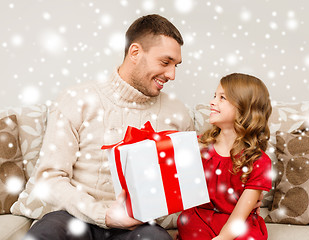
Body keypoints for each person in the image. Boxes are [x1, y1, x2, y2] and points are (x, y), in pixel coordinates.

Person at [24, 14, 194, 240]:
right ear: (135, 53)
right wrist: (103, 215)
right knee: (43, 235)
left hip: (140, 226)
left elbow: (185, 187)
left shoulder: (178, 114)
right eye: (165, 62)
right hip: (75, 217)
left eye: (176, 65)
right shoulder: (77, 100)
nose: (172, 75)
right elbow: (50, 178)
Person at [177, 73, 272, 240]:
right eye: (214, 96)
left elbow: (239, 216)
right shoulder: (198, 147)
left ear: (245, 108)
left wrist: (222, 238)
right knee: (189, 224)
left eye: (222, 98)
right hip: (200, 219)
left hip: (238, 223)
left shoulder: (259, 162)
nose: (212, 102)